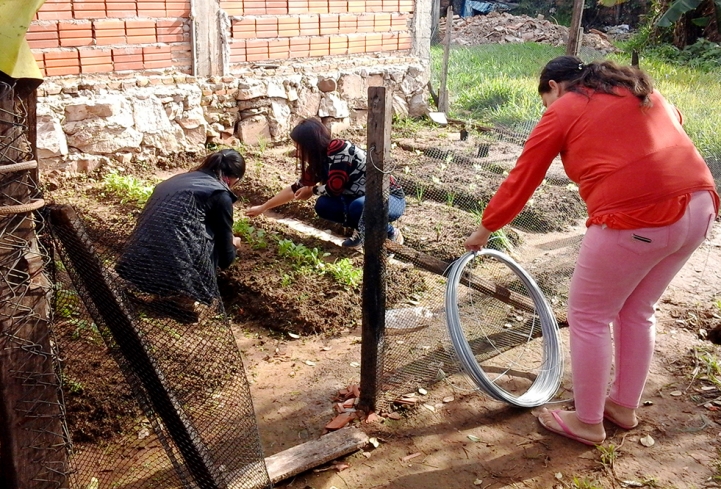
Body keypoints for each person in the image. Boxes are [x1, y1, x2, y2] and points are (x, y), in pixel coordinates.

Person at [464, 55, 719, 445]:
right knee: (637, 309)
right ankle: (622, 406)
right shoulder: (642, 91)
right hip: (701, 207)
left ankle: (587, 421)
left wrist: (485, 230)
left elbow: (524, 176)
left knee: (588, 317)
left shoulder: (565, 107)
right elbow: (673, 126)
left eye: (544, 99)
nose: (546, 108)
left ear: (552, 86)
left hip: (637, 217)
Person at [246, 117, 406, 248]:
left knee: (358, 207)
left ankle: (391, 233)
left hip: (389, 199)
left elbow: (334, 188)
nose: (297, 151)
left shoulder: (339, 148)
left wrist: (312, 191)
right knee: (323, 205)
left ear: (310, 144)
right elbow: (294, 189)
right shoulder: (320, 161)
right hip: (362, 199)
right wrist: (263, 208)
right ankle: (361, 230)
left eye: (299, 146)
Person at [116, 149, 246, 309]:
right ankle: (183, 297)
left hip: (137, 262)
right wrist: (233, 244)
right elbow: (226, 258)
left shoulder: (175, 180)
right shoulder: (220, 194)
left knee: (181, 232)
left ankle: (163, 290)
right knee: (211, 242)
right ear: (234, 179)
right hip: (175, 269)